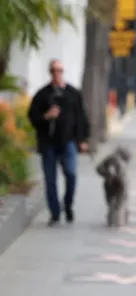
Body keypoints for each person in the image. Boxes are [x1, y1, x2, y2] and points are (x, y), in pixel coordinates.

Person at [28, 59, 90, 226]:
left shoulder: (73, 93)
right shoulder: (42, 95)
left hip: (68, 141)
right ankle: (55, 213)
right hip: (48, 143)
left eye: (60, 70)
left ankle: (68, 205)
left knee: (71, 174)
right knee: (50, 180)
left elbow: (81, 118)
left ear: (63, 72)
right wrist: (46, 116)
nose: (57, 74)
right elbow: (33, 117)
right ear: (50, 73)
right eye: (54, 70)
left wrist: (83, 139)